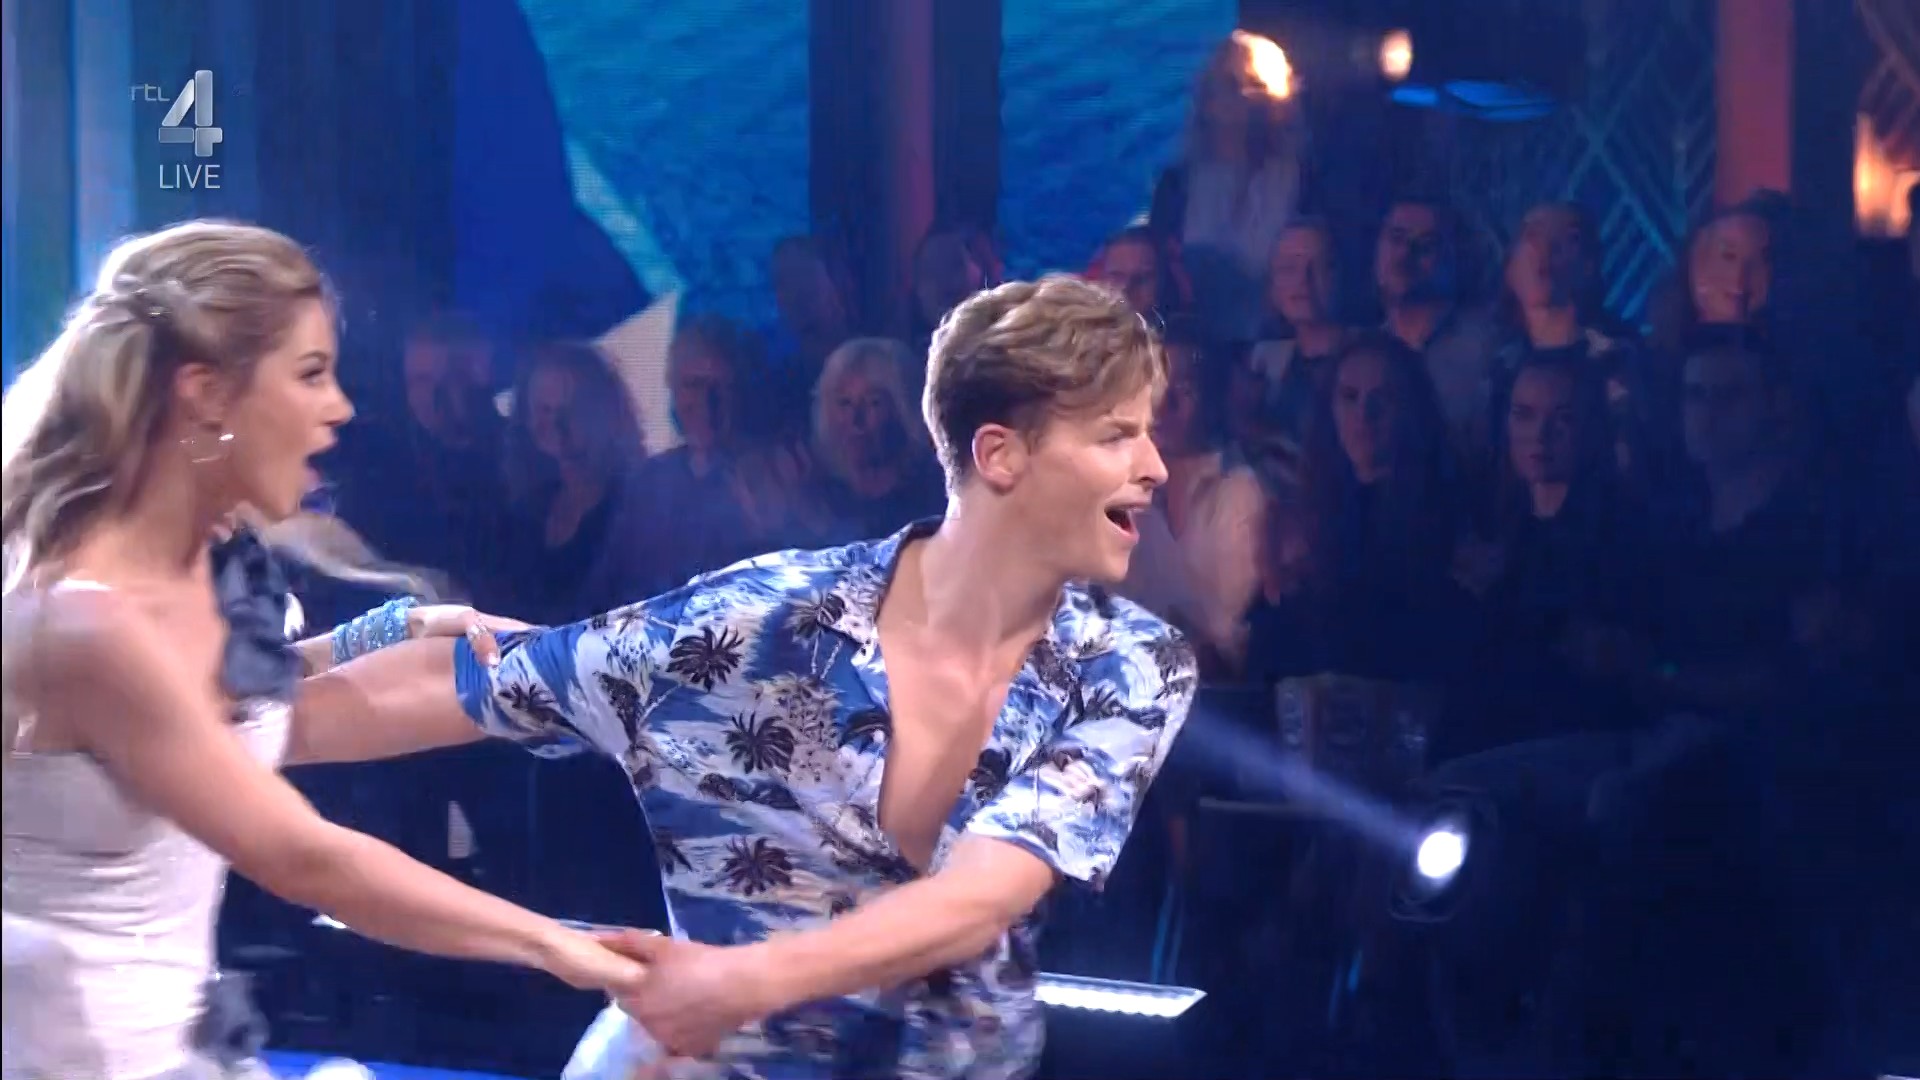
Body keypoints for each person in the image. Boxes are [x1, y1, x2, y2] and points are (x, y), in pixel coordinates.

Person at [298, 275, 1199, 1079]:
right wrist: (246, 732)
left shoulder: (1132, 664)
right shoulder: (761, 621)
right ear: (1000, 454)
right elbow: (492, 674)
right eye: (1117, 436)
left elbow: (983, 896)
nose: (1155, 467)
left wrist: (736, 983)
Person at [0, 220, 646, 1080]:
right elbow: (307, 858)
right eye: (310, 374)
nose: (340, 406)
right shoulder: (82, 626)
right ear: (205, 394)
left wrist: (405, 628)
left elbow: (245, 705)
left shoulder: (194, 575)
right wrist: (567, 948)